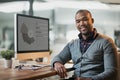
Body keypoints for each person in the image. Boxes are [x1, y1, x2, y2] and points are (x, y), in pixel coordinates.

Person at [51, 9, 117, 80]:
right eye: (78, 21)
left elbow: (111, 71)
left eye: (85, 19)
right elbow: (58, 57)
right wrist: (56, 63)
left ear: (92, 21)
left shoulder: (106, 42)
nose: (81, 23)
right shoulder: (72, 44)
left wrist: (89, 79)